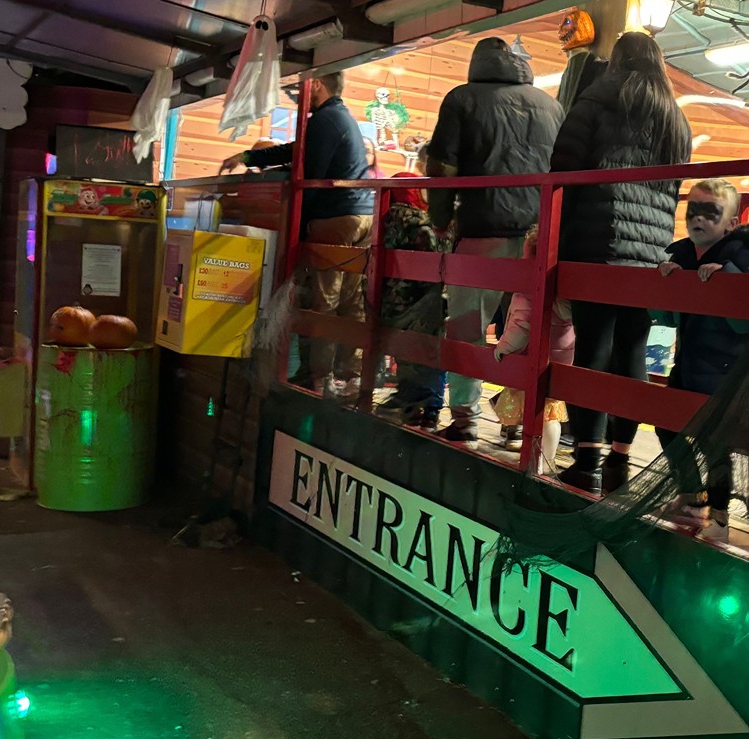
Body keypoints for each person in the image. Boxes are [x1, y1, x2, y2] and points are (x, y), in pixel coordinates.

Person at [549, 31, 692, 495]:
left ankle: (586, 460)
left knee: (593, 349)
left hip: (598, 241)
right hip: (651, 253)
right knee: (632, 348)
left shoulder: (599, 98)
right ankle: (619, 462)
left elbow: (563, 170)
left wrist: (558, 242)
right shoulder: (676, 117)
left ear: (617, 61)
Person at [425, 36, 563, 444]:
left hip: (483, 228)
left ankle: (465, 419)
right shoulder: (551, 105)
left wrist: (439, 217)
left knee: (467, 327)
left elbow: (442, 165)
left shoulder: (461, 99)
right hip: (538, 235)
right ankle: (515, 420)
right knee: (524, 329)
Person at [222, 71, 373, 395]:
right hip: (361, 215)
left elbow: (309, 174)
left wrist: (299, 228)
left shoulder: (325, 119)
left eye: (301, 86)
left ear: (317, 84)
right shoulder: (339, 116)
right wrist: (250, 157)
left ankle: (317, 378)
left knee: (323, 302)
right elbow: (297, 151)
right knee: (350, 302)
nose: (295, 93)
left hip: (334, 218)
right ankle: (349, 377)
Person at [654, 179, 749, 533]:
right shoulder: (680, 256)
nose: (699, 219)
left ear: (732, 223)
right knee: (664, 422)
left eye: (711, 212)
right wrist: (670, 285)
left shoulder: (746, 257)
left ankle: (719, 511)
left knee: (714, 441)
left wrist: (729, 281)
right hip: (688, 360)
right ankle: (693, 496)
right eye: (694, 211)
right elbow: (665, 317)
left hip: (727, 367)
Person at [491, 230, 576, 472]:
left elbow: (521, 323)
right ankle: (546, 460)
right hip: (561, 358)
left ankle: (534, 460)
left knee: (536, 412)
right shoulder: (565, 289)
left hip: (532, 358)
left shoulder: (529, 287)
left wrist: (503, 348)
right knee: (552, 414)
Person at [377, 176, 448, 429]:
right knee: (429, 351)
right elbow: (436, 255)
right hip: (419, 298)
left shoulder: (384, 217)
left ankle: (409, 403)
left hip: (391, 299)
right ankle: (429, 408)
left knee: (405, 353)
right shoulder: (418, 221)